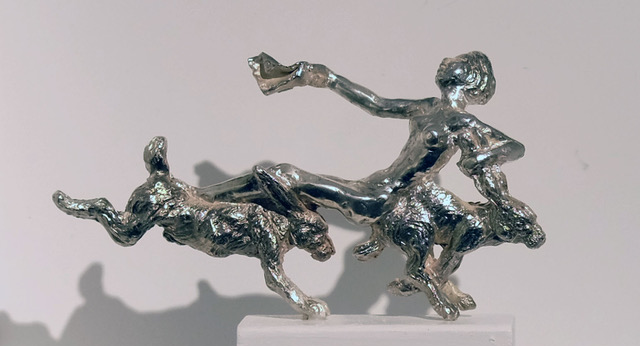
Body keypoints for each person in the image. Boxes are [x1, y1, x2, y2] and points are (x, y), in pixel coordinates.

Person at [199, 51, 534, 227]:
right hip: (370, 186)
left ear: (471, 77)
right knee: (283, 178)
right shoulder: (429, 107)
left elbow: (515, 147)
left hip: (379, 201)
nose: (447, 61)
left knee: (285, 174)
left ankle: (203, 198)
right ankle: (206, 199)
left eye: (458, 62)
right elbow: (376, 105)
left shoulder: (463, 122)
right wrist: (326, 78)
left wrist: (485, 156)